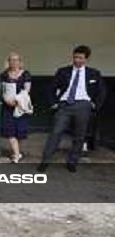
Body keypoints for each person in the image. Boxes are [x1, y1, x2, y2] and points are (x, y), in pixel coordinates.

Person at [38, 45, 106, 173]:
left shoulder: (94, 73)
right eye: (75, 57)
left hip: (83, 106)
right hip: (64, 105)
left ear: (86, 59)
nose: (77, 60)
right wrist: (54, 103)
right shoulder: (63, 71)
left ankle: (72, 162)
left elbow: (102, 91)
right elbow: (51, 88)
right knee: (55, 133)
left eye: (80, 58)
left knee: (79, 135)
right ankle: (45, 161)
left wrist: (95, 105)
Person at [0, 52, 32, 163]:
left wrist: (17, 100)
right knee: (10, 131)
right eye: (11, 60)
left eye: (16, 60)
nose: (14, 62)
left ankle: (17, 151)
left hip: (20, 105)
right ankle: (17, 154)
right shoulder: (4, 74)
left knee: (20, 131)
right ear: (8, 62)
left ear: (20, 61)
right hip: (8, 106)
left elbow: (27, 90)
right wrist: (6, 100)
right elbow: (2, 90)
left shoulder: (25, 74)